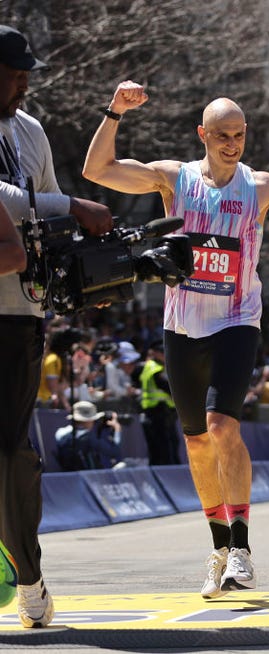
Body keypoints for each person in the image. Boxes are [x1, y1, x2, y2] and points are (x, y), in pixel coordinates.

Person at [82, 80, 269, 599]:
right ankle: (218, 548)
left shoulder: (261, 187)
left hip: (237, 319)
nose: (232, 143)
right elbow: (97, 171)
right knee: (196, 440)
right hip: (183, 325)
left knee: (222, 426)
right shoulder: (174, 178)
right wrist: (114, 112)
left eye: (239, 134)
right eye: (222, 134)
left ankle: (241, 547)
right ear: (202, 134)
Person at [0, 24, 115, 629]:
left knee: (12, 452)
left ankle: (29, 578)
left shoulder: (31, 131)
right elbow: (16, 201)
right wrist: (73, 203)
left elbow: (38, 211)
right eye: (13, 73)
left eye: (27, 74)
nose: (23, 84)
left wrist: (80, 280)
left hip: (18, 313)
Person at [139, 340, 180, 466]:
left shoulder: (156, 366)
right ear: (155, 353)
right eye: (162, 352)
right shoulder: (154, 368)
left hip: (159, 414)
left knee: (163, 448)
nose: (164, 354)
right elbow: (169, 388)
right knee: (164, 449)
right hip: (158, 414)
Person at [53, 400, 123, 471]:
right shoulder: (90, 439)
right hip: (84, 479)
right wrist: (117, 430)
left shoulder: (60, 433)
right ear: (88, 421)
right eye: (93, 420)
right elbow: (114, 452)